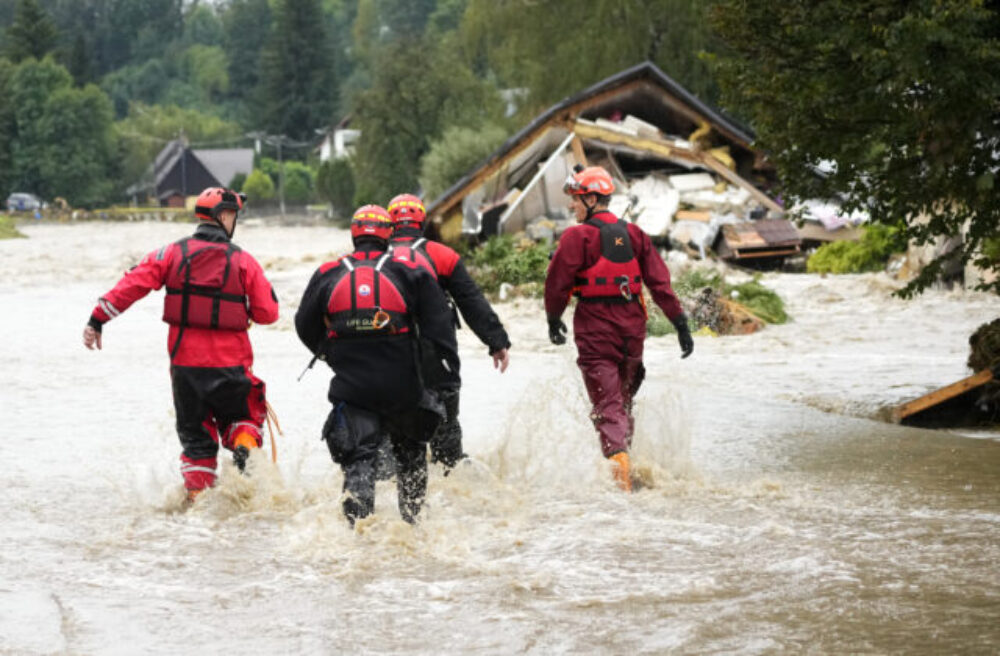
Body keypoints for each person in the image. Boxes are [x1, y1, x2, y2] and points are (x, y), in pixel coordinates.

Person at [82, 187, 279, 502]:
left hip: (186, 370)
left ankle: (197, 509)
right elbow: (269, 314)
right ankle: (242, 444)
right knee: (243, 420)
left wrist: (97, 320)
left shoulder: (169, 254)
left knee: (197, 445)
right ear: (225, 216)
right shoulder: (243, 261)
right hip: (231, 367)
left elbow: (132, 285)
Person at [294, 204, 458, 525]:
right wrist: (442, 375)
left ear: (354, 234)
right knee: (411, 457)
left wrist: (331, 355)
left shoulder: (329, 273)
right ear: (389, 234)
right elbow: (440, 327)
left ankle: (359, 535)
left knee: (360, 460)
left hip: (352, 387)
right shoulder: (410, 272)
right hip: (405, 387)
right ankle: (413, 527)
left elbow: (303, 324)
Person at [544, 166, 694, 492]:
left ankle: (621, 486)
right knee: (623, 400)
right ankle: (628, 465)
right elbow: (660, 283)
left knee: (607, 404)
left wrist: (553, 318)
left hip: (596, 327)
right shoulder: (635, 234)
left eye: (576, 200)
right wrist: (680, 323)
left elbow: (557, 283)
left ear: (593, 198)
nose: (572, 206)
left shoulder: (577, 237)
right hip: (632, 330)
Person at [386, 193, 511, 472]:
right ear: (422, 221)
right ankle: (450, 477)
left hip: (389, 355)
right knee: (446, 430)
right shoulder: (444, 256)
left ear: (391, 223)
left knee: (388, 432)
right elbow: (471, 301)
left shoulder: (377, 258)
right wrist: (497, 342)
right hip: (437, 355)